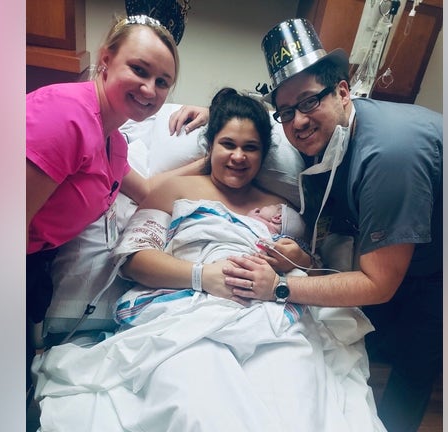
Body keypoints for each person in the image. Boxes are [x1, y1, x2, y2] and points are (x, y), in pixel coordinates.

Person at [31, 88, 387, 432]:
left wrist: (296, 257)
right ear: (210, 146)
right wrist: (203, 276)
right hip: (184, 316)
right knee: (200, 405)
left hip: (270, 319)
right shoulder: (174, 191)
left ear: (264, 154)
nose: (238, 156)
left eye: (251, 148)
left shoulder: (283, 209)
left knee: (292, 401)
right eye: (228, 144)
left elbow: (314, 268)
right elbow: (134, 260)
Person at [172, 18, 443, 432]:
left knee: (416, 353)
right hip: (408, 249)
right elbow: (276, 120)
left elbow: (378, 285)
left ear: (343, 92)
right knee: (353, 342)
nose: (297, 122)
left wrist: (279, 287)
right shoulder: (321, 132)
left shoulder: (388, 157)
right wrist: (221, 117)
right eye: (286, 112)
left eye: (309, 102)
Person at [25, 13, 201, 395]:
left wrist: (215, 158)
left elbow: (148, 189)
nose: (150, 89)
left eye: (162, 82)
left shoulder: (114, 142)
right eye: (139, 70)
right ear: (106, 59)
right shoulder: (66, 117)